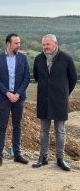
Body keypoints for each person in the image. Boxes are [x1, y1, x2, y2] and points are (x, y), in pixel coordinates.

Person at [32, 34, 77, 171]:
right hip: (44, 100)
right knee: (44, 130)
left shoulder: (66, 58)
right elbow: (36, 76)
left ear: (55, 44)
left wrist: (63, 93)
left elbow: (73, 79)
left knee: (60, 130)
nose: (45, 47)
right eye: (44, 45)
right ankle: (43, 157)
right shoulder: (38, 59)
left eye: (48, 44)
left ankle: (60, 159)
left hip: (60, 101)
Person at [0, 33, 30, 167]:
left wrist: (18, 94)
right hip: (4, 97)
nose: (19, 45)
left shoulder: (24, 58)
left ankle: (17, 155)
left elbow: (27, 77)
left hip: (19, 98)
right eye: (16, 43)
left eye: (19, 43)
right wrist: (8, 93)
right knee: (1, 127)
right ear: (8, 44)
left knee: (17, 126)